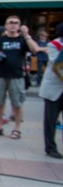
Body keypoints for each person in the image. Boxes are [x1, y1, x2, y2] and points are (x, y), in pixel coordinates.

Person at [0, 15, 40, 139]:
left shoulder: (22, 40)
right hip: (0, 75)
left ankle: (17, 129)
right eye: (10, 22)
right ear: (6, 25)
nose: (13, 25)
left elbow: (35, 50)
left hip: (16, 76)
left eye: (16, 23)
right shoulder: (0, 40)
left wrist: (27, 35)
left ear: (19, 26)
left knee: (17, 103)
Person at [39, 23, 63, 159]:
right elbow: (57, 64)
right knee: (50, 120)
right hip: (54, 89)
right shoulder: (53, 45)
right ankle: (50, 148)